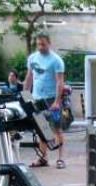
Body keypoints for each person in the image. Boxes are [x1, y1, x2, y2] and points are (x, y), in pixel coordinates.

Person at [24, 31, 66, 168]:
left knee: (56, 129)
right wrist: (25, 96)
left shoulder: (56, 60)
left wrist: (57, 101)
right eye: (38, 44)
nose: (40, 47)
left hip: (51, 99)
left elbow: (60, 82)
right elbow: (29, 77)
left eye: (43, 44)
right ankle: (43, 158)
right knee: (41, 129)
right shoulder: (32, 58)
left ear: (49, 43)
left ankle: (60, 158)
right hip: (37, 99)